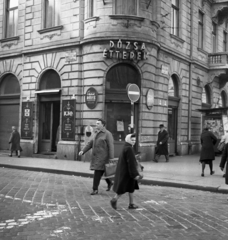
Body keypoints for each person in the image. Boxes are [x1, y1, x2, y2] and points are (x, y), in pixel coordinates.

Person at [79, 119, 114, 195]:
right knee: (104, 172)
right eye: (96, 123)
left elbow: (111, 147)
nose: (96, 125)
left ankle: (95, 189)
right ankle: (110, 182)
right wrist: (83, 150)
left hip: (103, 158)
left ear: (103, 125)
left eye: (98, 123)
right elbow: (90, 143)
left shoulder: (107, 134)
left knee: (97, 173)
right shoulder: (96, 133)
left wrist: (111, 159)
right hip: (96, 157)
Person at [110, 133, 143, 210]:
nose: (133, 141)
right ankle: (114, 199)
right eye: (132, 140)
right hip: (127, 172)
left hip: (125, 171)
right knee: (123, 187)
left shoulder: (126, 147)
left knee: (131, 187)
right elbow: (131, 163)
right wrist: (135, 174)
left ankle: (131, 203)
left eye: (134, 140)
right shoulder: (129, 148)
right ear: (128, 140)